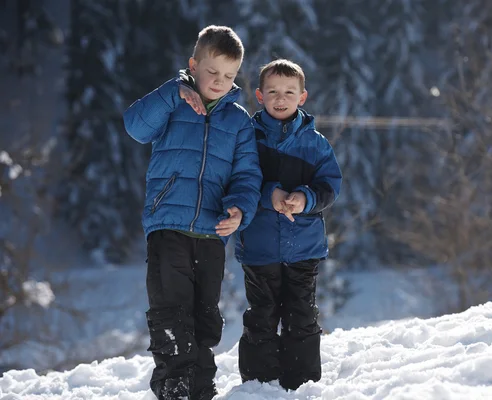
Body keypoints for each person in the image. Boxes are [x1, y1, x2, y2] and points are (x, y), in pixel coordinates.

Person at [123, 25, 262, 400]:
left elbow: (247, 175)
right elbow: (135, 126)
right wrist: (173, 92)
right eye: (211, 72)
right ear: (194, 65)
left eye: (229, 76)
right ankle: (174, 388)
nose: (219, 81)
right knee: (171, 312)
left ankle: (201, 388)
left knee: (204, 318)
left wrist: (240, 209)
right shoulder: (173, 100)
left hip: (211, 233)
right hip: (168, 226)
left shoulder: (238, 121)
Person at [235, 59, 342, 390]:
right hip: (259, 246)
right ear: (259, 95)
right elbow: (237, 183)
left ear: (302, 97)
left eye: (289, 92)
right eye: (273, 91)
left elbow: (330, 188)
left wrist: (306, 198)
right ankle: (259, 383)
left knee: (301, 314)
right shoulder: (247, 139)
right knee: (262, 313)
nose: (280, 98)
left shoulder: (315, 144)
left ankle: (302, 382)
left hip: (303, 246)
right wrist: (271, 195)